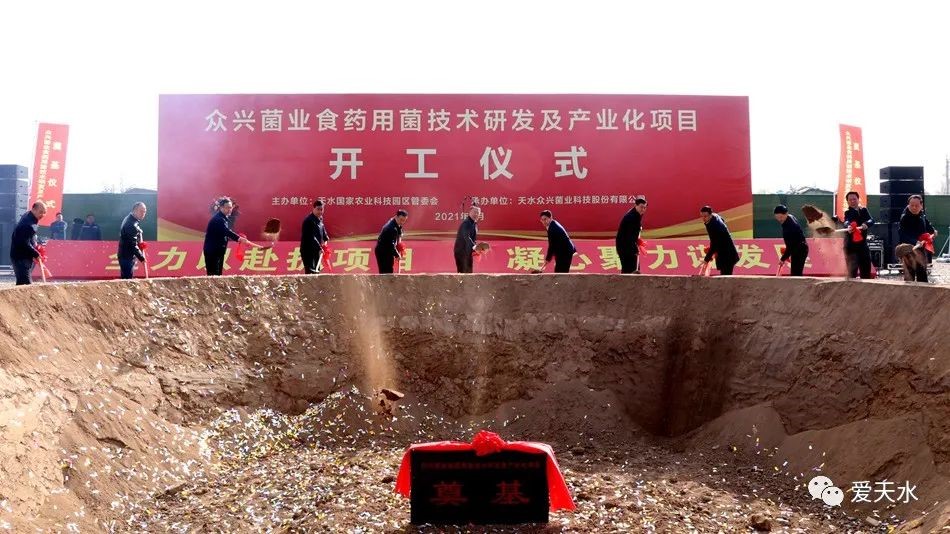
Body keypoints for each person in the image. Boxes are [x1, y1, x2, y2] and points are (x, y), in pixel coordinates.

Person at [203, 197, 249, 276]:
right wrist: (239, 238)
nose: (230, 210)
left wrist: (239, 239)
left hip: (218, 250)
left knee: (217, 274)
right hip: (213, 251)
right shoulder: (218, 219)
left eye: (231, 207)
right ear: (221, 207)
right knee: (214, 275)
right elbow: (226, 231)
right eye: (227, 207)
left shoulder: (223, 218)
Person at [898, 195, 937, 282]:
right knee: (909, 277)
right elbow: (902, 234)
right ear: (908, 205)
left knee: (922, 275)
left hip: (921, 250)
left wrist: (933, 231)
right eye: (912, 205)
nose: (914, 208)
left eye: (917, 205)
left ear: (921, 206)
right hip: (908, 250)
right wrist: (915, 242)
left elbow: (928, 227)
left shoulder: (922, 215)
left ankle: (923, 291)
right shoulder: (904, 217)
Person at [10, 202, 47, 285]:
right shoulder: (28, 223)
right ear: (33, 209)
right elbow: (23, 242)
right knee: (25, 284)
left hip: (23, 256)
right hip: (21, 257)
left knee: (24, 283)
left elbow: (29, 237)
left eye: (44, 213)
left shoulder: (30, 218)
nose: (42, 215)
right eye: (41, 212)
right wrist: (35, 253)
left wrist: (35, 246)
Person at [840, 191, 874, 279]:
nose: (852, 201)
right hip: (850, 246)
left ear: (858, 199)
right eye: (850, 200)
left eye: (854, 199)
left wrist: (866, 224)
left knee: (866, 271)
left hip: (862, 245)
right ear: (847, 201)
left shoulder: (863, 210)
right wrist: (848, 226)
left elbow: (871, 220)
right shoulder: (847, 212)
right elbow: (846, 221)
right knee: (852, 273)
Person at [700, 205, 740, 275]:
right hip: (723, 251)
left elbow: (714, 244)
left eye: (705, 216)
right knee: (725, 277)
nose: (703, 218)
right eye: (702, 216)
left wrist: (706, 259)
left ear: (710, 215)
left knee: (725, 277)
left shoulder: (715, 226)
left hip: (727, 255)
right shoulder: (715, 216)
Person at [774, 205, 808, 276]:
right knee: (795, 273)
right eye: (777, 217)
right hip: (799, 247)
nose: (779, 219)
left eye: (781, 217)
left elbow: (790, 247)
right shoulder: (789, 217)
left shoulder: (790, 228)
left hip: (800, 249)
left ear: (786, 214)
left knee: (796, 274)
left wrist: (783, 259)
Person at [615, 197, 647, 274]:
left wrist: (638, 241)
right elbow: (629, 236)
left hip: (627, 245)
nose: (643, 209)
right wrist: (635, 249)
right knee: (631, 270)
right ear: (635, 205)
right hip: (625, 247)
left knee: (631, 269)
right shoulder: (631, 217)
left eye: (644, 208)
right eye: (641, 207)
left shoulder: (636, 214)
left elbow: (633, 233)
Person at [118, 202, 147, 279]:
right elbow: (132, 244)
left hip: (125, 254)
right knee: (127, 280)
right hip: (126, 256)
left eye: (144, 212)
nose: (143, 214)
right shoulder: (131, 224)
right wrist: (141, 257)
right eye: (141, 211)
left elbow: (130, 238)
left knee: (126, 278)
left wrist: (139, 243)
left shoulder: (129, 219)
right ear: (135, 210)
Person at [300, 200, 330, 274]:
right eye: (318, 209)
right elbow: (311, 237)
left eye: (321, 209)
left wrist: (325, 241)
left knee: (317, 272)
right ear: (313, 208)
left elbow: (323, 233)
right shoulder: (308, 221)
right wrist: (320, 248)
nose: (320, 211)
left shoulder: (320, 219)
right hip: (308, 250)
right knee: (310, 272)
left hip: (317, 251)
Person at [375, 209, 407, 274]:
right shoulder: (391, 228)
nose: (402, 222)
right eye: (401, 220)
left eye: (404, 220)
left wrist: (399, 243)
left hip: (388, 249)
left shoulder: (395, 222)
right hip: (383, 251)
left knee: (389, 270)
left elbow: (399, 230)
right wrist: (397, 255)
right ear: (396, 217)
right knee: (386, 272)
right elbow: (391, 245)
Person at [453, 204, 481, 273]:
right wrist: (474, 247)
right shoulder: (466, 223)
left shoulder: (474, 224)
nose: (476, 214)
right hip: (461, 252)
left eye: (478, 213)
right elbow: (467, 237)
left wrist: (476, 249)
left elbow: (473, 239)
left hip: (468, 252)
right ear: (469, 212)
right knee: (462, 273)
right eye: (474, 212)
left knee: (469, 273)